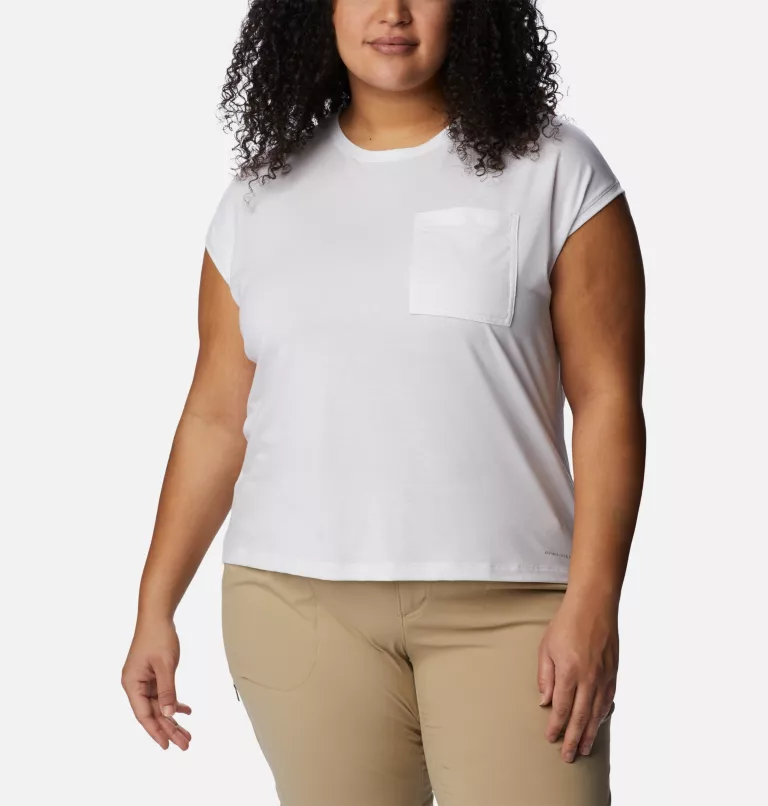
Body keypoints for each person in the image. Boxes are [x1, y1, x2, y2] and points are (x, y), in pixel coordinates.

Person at [121, 1, 645, 804]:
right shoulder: (258, 198)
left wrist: (596, 602)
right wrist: (155, 606)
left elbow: (607, 399)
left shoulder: (556, 171)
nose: (392, 12)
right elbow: (216, 418)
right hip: (294, 607)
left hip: (513, 609)